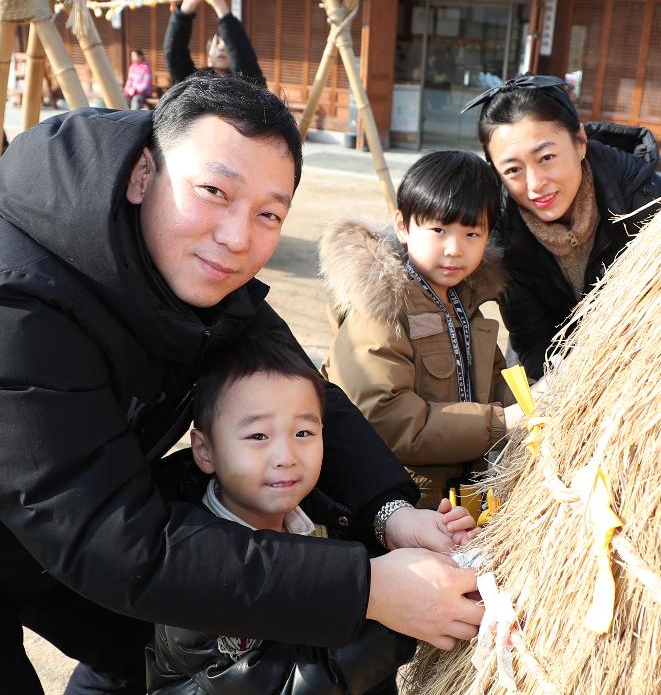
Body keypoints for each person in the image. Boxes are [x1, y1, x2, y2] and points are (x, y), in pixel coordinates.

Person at [0, 71, 484, 695]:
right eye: (212, 192)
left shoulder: (198, 277)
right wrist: (367, 587)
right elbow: (115, 541)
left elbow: (302, 393)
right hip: (81, 526)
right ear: (143, 174)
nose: (236, 239)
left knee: (167, 663)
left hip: (70, 529)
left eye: (269, 214)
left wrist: (388, 513)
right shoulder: (20, 305)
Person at [147, 332, 460, 694]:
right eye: (258, 437)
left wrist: (435, 552)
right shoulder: (194, 567)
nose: (286, 456)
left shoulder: (329, 515)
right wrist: (399, 615)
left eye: (303, 432)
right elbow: (277, 687)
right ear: (205, 450)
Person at [320, 151, 520, 510]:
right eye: (439, 230)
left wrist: (532, 400)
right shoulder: (381, 306)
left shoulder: (467, 301)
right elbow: (387, 418)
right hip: (392, 504)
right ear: (403, 226)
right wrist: (502, 421)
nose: (455, 249)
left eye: (472, 233)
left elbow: (495, 386)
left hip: (456, 503)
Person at [463, 73, 661, 380]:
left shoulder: (646, 201)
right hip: (554, 374)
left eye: (546, 157)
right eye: (513, 169)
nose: (535, 184)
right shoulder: (502, 233)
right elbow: (531, 340)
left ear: (580, 142)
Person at [164, 0, 264, 86]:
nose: (221, 47)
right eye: (217, 43)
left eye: (226, 44)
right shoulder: (194, 84)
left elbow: (244, 59)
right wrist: (186, 9)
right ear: (209, 59)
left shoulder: (252, 87)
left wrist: (219, 4)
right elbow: (174, 53)